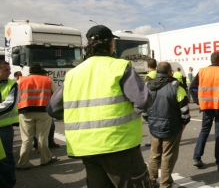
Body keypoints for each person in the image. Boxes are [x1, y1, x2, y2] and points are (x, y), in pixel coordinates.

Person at [46, 25, 153, 188]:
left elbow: (53, 108)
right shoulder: (119, 67)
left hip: (87, 147)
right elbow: (143, 100)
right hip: (119, 143)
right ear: (110, 43)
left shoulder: (73, 74)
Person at [143, 62, 190, 188]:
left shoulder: (147, 86)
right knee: (168, 156)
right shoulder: (176, 87)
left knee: (154, 155)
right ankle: (165, 184)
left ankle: (151, 181)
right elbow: (185, 111)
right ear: (170, 72)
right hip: (171, 128)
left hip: (154, 127)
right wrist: (183, 123)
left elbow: (144, 110)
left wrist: (151, 121)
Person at [17, 63, 58, 169]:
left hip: (25, 111)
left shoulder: (21, 80)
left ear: (30, 71)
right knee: (42, 136)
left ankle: (23, 163)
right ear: (40, 71)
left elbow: (15, 96)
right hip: (43, 111)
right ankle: (45, 159)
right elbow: (57, 93)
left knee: (26, 139)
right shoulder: (47, 80)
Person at [0, 61, 19, 188]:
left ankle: (9, 184)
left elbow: (9, 105)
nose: (10, 72)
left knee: (6, 159)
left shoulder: (12, 84)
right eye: (6, 70)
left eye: (10, 69)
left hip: (4, 128)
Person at [33, 69, 60, 154]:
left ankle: (45, 144)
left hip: (31, 108)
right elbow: (56, 92)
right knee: (42, 132)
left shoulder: (29, 81)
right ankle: (40, 147)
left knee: (46, 128)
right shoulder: (46, 80)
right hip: (43, 108)